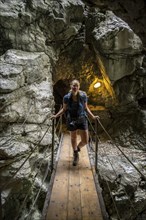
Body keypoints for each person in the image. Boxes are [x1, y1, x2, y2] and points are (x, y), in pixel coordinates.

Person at [51, 79, 99, 166]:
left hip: (82, 119)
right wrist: (56, 116)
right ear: (71, 86)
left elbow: (85, 107)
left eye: (76, 86)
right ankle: (75, 154)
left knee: (85, 141)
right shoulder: (66, 97)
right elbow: (64, 109)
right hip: (71, 120)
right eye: (73, 85)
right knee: (73, 138)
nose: (75, 87)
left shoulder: (83, 96)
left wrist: (92, 116)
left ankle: (77, 148)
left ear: (78, 87)